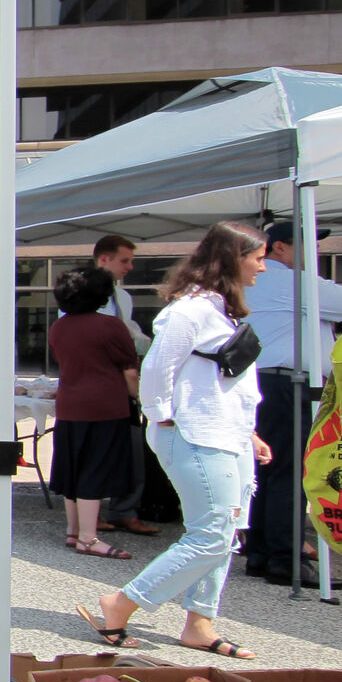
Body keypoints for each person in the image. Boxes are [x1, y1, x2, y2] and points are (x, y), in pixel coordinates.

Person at [78, 221, 271, 658]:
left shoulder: (222, 309)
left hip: (229, 434)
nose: (263, 266)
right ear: (234, 259)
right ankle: (122, 602)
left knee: (226, 532)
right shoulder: (191, 310)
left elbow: (228, 382)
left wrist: (249, 432)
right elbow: (157, 368)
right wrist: (163, 417)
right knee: (212, 533)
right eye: (258, 258)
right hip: (197, 434)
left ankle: (199, 622)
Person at [242, 219, 342, 588]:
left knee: (268, 471)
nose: (316, 250)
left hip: (265, 381)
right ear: (279, 247)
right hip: (285, 383)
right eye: (307, 242)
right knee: (289, 473)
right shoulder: (291, 281)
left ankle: (261, 552)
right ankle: (285, 559)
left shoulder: (271, 282)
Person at [47, 266, 139, 557]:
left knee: (73, 468)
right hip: (105, 405)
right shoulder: (110, 326)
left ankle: (74, 530)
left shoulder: (58, 327)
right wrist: (138, 396)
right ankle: (88, 537)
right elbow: (130, 370)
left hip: (69, 404)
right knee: (95, 469)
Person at [87, 235, 160, 539]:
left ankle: (125, 510)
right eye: (124, 261)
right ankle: (89, 514)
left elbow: (130, 336)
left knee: (131, 447)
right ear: (104, 259)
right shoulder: (82, 293)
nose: (129, 267)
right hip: (97, 381)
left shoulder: (124, 298)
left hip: (121, 380)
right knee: (95, 450)